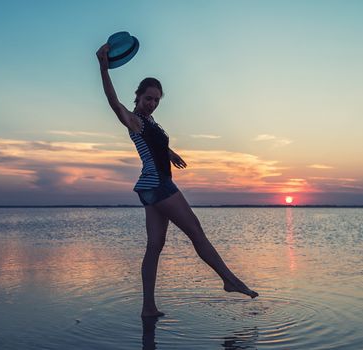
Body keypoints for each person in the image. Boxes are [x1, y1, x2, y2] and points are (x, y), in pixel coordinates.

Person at [96, 43, 258, 318]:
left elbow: (154, 145)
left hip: (150, 188)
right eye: (148, 98)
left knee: (154, 246)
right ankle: (229, 280)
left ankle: (148, 308)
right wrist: (103, 64)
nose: (152, 103)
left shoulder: (151, 123)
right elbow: (113, 102)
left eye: (157, 99)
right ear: (138, 97)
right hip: (158, 184)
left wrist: (170, 153)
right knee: (196, 231)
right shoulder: (135, 120)